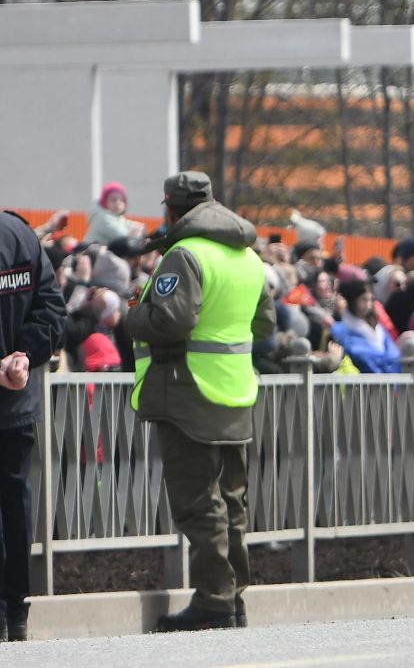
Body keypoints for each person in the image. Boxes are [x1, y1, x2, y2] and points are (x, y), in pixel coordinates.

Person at [123, 171, 274, 633]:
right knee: (231, 502)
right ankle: (233, 598)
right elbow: (264, 326)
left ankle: (212, 600)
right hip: (234, 393)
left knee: (197, 502)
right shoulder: (247, 257)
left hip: (187, 393)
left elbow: (170, 322)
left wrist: (134, 315)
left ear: (172, 210)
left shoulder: (185, 254)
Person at [0, 208, 65, 642]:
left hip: (13, 396)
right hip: (16, 399)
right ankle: (15, 611)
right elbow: (51, 312)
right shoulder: (20, 235)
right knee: (14, 505)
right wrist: (23, 354)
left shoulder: (19, 233)